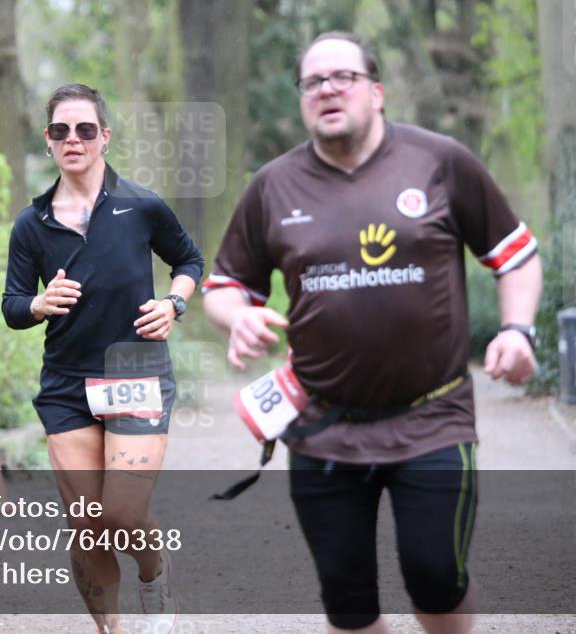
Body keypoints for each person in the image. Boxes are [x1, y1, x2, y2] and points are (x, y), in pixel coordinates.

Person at [202, 32, 542, 634]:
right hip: (323, 426)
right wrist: (239, 316)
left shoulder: (441, 162)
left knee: (436, 577)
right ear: (303, 100)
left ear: (377, 92)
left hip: (432, 417)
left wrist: (518, 330)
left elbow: (514, 255)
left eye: (343, 77)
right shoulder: (272, 187)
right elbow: (224, 286)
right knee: (348, 602)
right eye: (313, 82)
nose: (328, 89)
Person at [2, 84, 203, 634]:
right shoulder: (32, 223)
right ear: (48, 141)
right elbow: (12, 306)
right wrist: (39, 304)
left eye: (85, 129)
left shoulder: (140, 206)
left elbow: (188, 258)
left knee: (120, 517)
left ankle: (154, 567)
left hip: (136, 372)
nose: (73, 139)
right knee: (87, 525)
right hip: (67, 384)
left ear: (104, 137)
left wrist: (174, 302)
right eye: (61, 130)